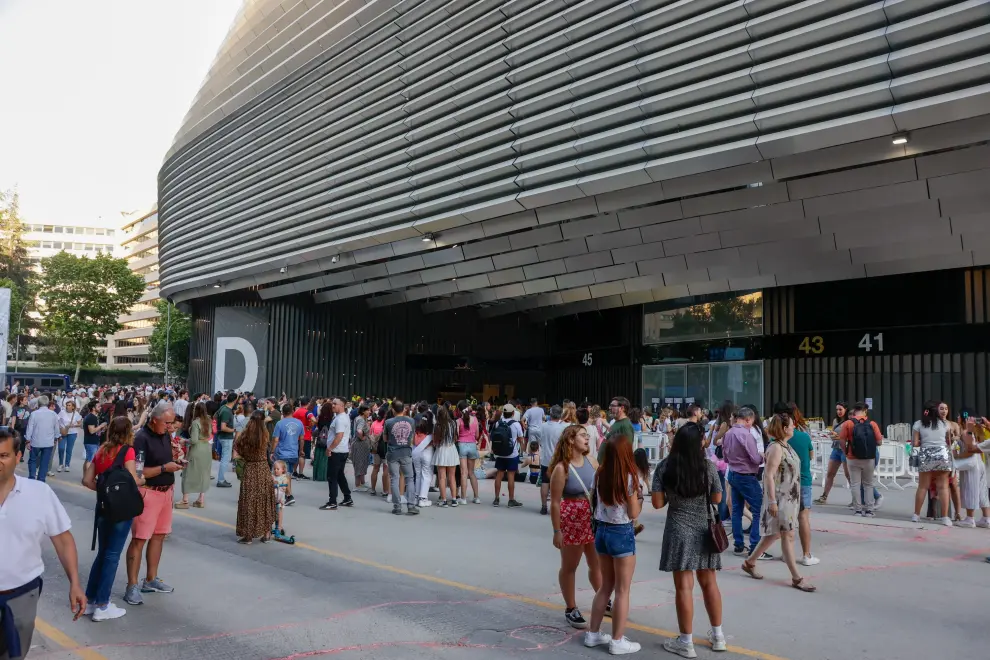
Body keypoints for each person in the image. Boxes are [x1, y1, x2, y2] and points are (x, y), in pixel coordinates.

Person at [0, 429, 87, 656]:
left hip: (20, 596)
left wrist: (75, 583)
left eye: (3, 455)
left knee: (14, 653)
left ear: (18, 457)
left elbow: (63, 540)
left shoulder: (39, 493)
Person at [651, 423, 726, 657]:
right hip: (704, 528)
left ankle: (686, 642)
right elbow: (716, 497)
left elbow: (657, 503)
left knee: (684, 587)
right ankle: (718, 635)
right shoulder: (708, 467)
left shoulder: (664, 467)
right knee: (709, 583)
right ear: (698, 442)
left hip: (678, 529)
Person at [741, 413, 815, 592]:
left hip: (790, 497)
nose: (793, 428)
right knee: (787, 535)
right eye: (790, 425)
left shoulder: (785, 445)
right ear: (783, 428)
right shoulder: (776, 448)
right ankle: (797, 578)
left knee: (774, 534)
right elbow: (768, 475)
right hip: (781, 498)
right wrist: (773, 501)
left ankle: (750, 562)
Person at [81, 417, 143, 621]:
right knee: (112, 555)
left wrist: (103, 491)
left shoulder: (101, 451)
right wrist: (142, 479)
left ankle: (90, 600)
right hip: (120, 511)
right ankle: (102, 604)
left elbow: (87, 480)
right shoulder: (127, 451)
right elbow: (133, 479)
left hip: (103, 508)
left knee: (103, 553)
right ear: (128, 432)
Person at [585, 435, 643, 655]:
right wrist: (638, 499)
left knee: (605, 586)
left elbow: (593, 500)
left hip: (602, 531)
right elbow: (633, 513)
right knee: (622, 590)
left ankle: (593, 633)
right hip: (621, 532)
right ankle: (617, 640)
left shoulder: (600, 473)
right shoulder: (629, 477)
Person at [124, 401, 180, 606]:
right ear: (154, 420)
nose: (170, 427)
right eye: (167, 423)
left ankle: (150, 579)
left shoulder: (163, 434)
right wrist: (165, 468)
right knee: (139, 539)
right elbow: (138, 473)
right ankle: (131, 585)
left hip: (166, 493)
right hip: (148, 493)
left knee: (158, 536)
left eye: (172, 423)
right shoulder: (141, 439)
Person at [548, 425, 601, 630]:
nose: (587, 438)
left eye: (587, 435)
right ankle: (571, 607)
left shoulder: (592, 461)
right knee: (570, 566)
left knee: (596, 563)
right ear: (570, 440)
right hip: (571, 521)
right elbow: (554, 502)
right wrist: (556, 530)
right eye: (582, 435)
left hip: (592, 519)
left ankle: (602, 599)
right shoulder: (562, 468)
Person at [722, 407, 771, 559]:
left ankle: (738, 544)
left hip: (733, 473)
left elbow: (725, 457)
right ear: (748, 419)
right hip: (746, 475)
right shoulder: (745, 434)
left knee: (736, 510)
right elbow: (755, 458)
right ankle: (755, 547)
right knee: (759, 509)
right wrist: (763, 457)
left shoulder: (728, 433)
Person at [777, 402, 818, 565]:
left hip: (785, 481)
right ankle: (807, 555)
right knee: (803, 517)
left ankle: (786, 553)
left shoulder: (777, 439)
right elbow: (812, 455)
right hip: (804, 480)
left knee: (786, 518)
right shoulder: (804, 436)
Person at [235, 411, 277, 544]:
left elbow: (238, 452)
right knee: (264, 502)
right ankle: (266, 533)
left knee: (248, 503)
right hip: (263, 470)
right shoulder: (265, 435)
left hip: (250, 470)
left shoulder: (244, 437)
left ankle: (248, 536)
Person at [911, 400, 953, 525]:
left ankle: (916, 515)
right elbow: (948, 442)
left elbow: (915, 443)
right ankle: (945, 517)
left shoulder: (918, 424)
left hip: (926, 455)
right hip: (942, 455)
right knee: (943, 487)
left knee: (923, 486)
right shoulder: (945, 424)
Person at [382, 399, 418, 515]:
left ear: (393, 409)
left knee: (394, 479)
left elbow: (385, 439)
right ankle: (411, 505)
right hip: (406, 452)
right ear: (404, 409)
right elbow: (412, 437)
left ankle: (397, 507)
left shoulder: (388, 422)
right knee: (410, 479)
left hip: (393, 453)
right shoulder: (411, 421)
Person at [814, 402, 852, 505]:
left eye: (841, 409)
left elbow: (850, 437)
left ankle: (856, 498)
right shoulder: (836, 421)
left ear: (845, 409)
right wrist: (832, 435)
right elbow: (834, 435)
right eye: (837, 410)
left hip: (845, 449)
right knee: (830, 473)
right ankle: (824, 496)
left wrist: (838, 436)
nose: (839, 412)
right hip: (836, 448)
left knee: (848, 475)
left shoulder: (849, 421)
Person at [176, 402, 212, 510]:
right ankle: (201, 499)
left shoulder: (196, 422)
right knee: (204, 473)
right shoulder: (208, 421)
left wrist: (184, 440)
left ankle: (185, 499)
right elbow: (209, 435)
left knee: (188, 472)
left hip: (196, 450)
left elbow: (194, 440)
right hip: (206, 448)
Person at [320, 397, 354, 511]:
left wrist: (330, 448)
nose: (332, 405)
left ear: (342, 405)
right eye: (332, 403)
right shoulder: (342, 417)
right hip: (342, 451)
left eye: (335, 404)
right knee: (339, 475)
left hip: (337, 451)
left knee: (332, 476)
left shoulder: (340, 419)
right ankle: (347, 497)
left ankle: (332, 501)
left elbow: (339, 436)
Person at [492, 404, 525, 508]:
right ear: (513, 413)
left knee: (499, 475)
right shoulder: (516, 424)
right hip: (512, 454)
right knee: (511, 476)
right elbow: (520, 439)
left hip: (500, 453)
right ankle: (511, 500)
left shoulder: (498, 423)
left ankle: (496, 499)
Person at [539, 405, 570, 515]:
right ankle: (557, 506)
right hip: (558, 460)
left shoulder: (543, 426)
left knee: (545, 482)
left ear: (550, 414)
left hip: (545, 459)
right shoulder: (563, 428)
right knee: (560, 484)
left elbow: (540, 441)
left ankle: (543, 506)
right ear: (560, 415)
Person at [24, 395, 60, 482]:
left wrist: (27, 440)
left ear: (38, 403)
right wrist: (56, 437)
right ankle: (41, 479)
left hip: (35, 441)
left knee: (32, 460)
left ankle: (32, 477)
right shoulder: (53, 414)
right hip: (48, 442)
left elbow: (30, 428)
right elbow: (56, 428)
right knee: (45, 461)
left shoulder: (34, 414)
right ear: (47, 403)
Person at [432, 405, 460, 508]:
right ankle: (453, 499)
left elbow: (435, 442)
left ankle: (443, 500)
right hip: (452, 449)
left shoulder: (437, 425)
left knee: (442, 477)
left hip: (441, 450)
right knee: (452, 477)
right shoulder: (453, 423)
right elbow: (456, 438)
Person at [456, 404, 481, 504]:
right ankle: (476, 497)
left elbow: (457, 435)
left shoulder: (458, 421)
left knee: (464, 473)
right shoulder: (475, 420)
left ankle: (463, 498)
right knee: (471, 473)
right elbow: (477, 435)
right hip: (472, 446)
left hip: (462, 445)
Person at [598, 397, 634, 463]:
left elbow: (627, 450)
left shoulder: (625, 425)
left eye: (613, 406)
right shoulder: (617, 422)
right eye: (610, 405)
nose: (609, 408)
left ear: (622, 408)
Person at [214, 392, 237, 488]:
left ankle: (221, 479)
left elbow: (215, 417)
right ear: (235, 400)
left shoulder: (223, 408)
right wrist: (233, 430)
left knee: (224, 458)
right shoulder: (227, 411)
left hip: (222, 437)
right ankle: (221, 480)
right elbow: (223, 427)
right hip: (226, 437)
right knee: (225, 459)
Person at [412, 414, 435, 508]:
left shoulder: (415, 432)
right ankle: (423, 498)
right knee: (426, 475)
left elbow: (413, 442)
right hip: (427, 452)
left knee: (418, 475)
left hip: (416, 453)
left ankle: (416, 497)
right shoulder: (430, 432)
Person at [291, 397, 316, 480]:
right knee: (302, 455)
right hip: (305, 436)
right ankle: (301, 473)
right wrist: (310, 426)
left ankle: (294, 472)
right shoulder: (307, 412)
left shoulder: (296, 411)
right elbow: (314, 420)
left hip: (295, 436)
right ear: (308, 403)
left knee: (296, 454)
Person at [56, 400, 83, 473]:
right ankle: (60, 464)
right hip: (63, 432)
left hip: (72, 432)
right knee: (61, 448)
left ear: (73, 407)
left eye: (69, 405)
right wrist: (59, 427)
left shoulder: (76, 414)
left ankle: (67, 464)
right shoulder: (62, 412)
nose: (67, 407)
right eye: (67, 405)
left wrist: (73, 425)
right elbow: (57, 420)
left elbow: (80, 425)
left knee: (69, 449)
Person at [350, 405, 372, 492]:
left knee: (361, 463)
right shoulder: (361, 420)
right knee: (360, 464)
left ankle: (362, 482)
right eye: (368, 410)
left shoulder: (359, 418)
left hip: (360, 445)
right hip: (360, 445)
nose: (369, 412)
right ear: (363, 411)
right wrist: (362, 437)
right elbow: (359, 430)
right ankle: (357, 485)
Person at [369, 406, 389, 496]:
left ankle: (373, 489)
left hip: (376, 448)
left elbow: (370, 434)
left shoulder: (374, 423)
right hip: (384, 448)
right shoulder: (386, 423)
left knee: (375, 468)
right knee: (386, 469)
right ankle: (385, 490)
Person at [272, 460, 291, 535]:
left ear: (283, 470)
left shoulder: (284, 478)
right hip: (273, 497)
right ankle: (268, 527)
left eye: (278, 469)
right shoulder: (272, 476)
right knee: (271, 512)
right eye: (274, 469)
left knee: (279, 512)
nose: (276, 470)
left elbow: (285, 486)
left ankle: (279, 527)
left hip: (280, 499)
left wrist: (283, 486)